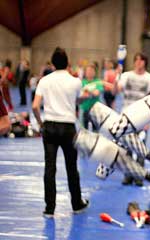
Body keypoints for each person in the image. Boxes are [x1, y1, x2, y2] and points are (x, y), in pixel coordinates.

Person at [32, 47, 89, 218]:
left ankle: (49, 208)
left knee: (50, 168)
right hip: (68, 128)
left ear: (52, 63)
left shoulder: (44, 81)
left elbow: (35, 106)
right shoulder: (75, 81)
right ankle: (77, 204)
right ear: (68, 63)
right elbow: (78, 99)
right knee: (72, 167)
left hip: (49, 126)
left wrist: (41, 124)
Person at [116, 52, 150, 186]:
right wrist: (117, 77)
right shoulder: (126, 75)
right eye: (136, 60)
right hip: (127, 117)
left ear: (145, 62)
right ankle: (128, 175)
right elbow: (117, 90)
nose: (138, 62)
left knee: (140, 149)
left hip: (142, 118)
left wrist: (149, 121)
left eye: (141, 60)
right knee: (127, 149)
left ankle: (139, 176)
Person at [79, 64, 104, 129]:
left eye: (91, 71)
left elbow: (96, 93)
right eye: (88, 71)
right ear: (85, 72)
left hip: (95, 110)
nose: (89, 72)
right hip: (85, 109)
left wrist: (87, 90)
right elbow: (81, 96)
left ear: (94, 72)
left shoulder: (98, 81)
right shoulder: (82, 82)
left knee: (96, 130)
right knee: (84, 130)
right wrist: (91, 92)